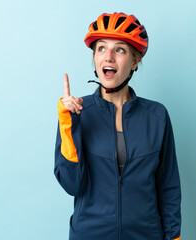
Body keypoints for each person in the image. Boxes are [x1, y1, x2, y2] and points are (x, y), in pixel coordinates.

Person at [54, 12, 181, 240]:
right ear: (94, 57)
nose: (108, 57)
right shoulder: (77, 112)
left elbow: (168, 187)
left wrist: (174, 237)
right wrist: (67, 123)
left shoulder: (157, 116)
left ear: (134, 61)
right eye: (101, 48)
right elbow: (72, 185)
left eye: (120, 50)